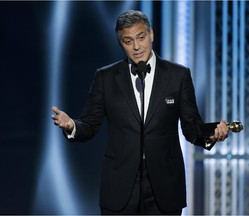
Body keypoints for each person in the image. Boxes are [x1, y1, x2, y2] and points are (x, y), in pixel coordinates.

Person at [51, 10, 229, 215]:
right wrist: (72, 125)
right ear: (121, 43)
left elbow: (191, 128)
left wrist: (211, 133)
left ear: (151, 34)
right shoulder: (106, 78)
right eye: (128, 41)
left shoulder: (178, 76)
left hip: (164, 187)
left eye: (141, 38)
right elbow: (89, 125)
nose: (136, 47)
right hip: (119, 187)